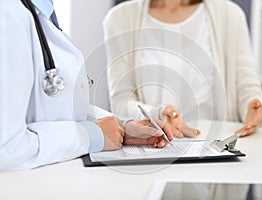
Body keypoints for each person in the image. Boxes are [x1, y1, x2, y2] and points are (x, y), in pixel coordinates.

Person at [0, 0, 173, 171]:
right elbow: (6, 150)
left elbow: (56, 107)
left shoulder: (39, 10)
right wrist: (91, 135)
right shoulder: (7, 13)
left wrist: (120, 127)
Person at [103, 0, 262, 138]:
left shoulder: (230, 15)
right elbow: (121, 101)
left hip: (213, 145)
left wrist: (253, 107)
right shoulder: (119, 19)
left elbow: (247, 86)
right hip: (155, 144)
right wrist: (155, 113)